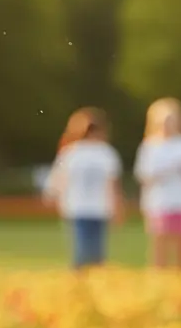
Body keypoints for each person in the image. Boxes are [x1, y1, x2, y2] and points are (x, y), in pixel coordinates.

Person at [44, 107, 124, 270]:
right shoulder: (104, 153)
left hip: (79, 207)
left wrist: (53, 195)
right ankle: (93, 279)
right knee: (95, 252)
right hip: (92, 208)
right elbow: (112, 184)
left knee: (82, 251)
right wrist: (117, 207)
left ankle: (82, 278)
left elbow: (58, 180)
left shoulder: (71, 152)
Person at [134, 98, 181, 270]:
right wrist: (166, 168)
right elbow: (143, 173)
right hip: (159, 201)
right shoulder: (150, 146)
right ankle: (159, 274)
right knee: (160, 241)